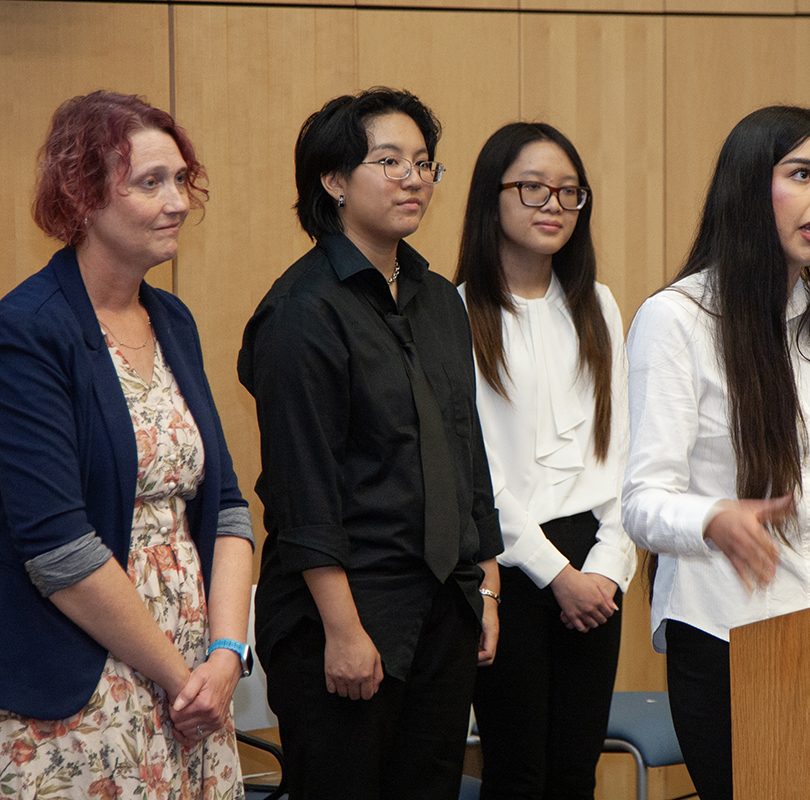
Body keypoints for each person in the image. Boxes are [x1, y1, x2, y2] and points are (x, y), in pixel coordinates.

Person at [622, 106, 810, 800]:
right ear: (749, 188)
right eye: (803, 174)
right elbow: (641, 502)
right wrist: (713, 520)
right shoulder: (677, 319)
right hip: (727, 642)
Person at [238, 87, 503, 800]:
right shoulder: (301, 313)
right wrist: (344, 629)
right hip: (348, 617)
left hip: (442, 608)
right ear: (334, 180)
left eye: (423, 163)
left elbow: (463, 447)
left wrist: (487, 584)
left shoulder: (438, 296)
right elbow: (302, 492)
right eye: (389, 161)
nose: (413, 178)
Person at [0, 91, 253, 798]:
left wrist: (227, 655)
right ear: (80, 196)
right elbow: (57, 549)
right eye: (151, 183)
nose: (177, 201)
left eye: (180, 179)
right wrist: (182, 677)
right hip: (88, 683)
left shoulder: (172, 318)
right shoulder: (26, 331)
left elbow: (228, 507)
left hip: (199, 679)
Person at [454, 122, 636, 800]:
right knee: (517, 771)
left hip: (597, 561)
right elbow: (479, 474)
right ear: (491, 198)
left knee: (574, 770)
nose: (552, 203)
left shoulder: (598, 305)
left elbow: (620, 451)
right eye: (532, 187)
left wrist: (609, 569)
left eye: (568, 191)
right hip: (509, 562)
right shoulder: (458, 312)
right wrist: (557, 575)